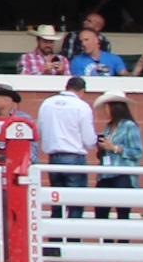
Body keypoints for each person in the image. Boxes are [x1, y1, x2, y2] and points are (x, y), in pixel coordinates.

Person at [35, 75, 98, 218]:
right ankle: (72, 238)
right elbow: (89, 140)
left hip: (53, 158)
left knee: (56, 202)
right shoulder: (82, 106)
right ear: (82, 91)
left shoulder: (47, 103)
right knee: (75, 203)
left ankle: (56, 238)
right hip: (74, 157)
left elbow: (39, 131)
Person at [93, 89, 141, 221]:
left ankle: (122, 240)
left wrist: (114, 148)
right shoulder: (108, 127)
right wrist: (102, 148)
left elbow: (137, 151)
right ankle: (105, 240)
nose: (105, 110)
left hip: (123, 174)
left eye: (107, 106)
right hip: (105, 174)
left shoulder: (130, 126)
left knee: (122, 212)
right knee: (101, 211)